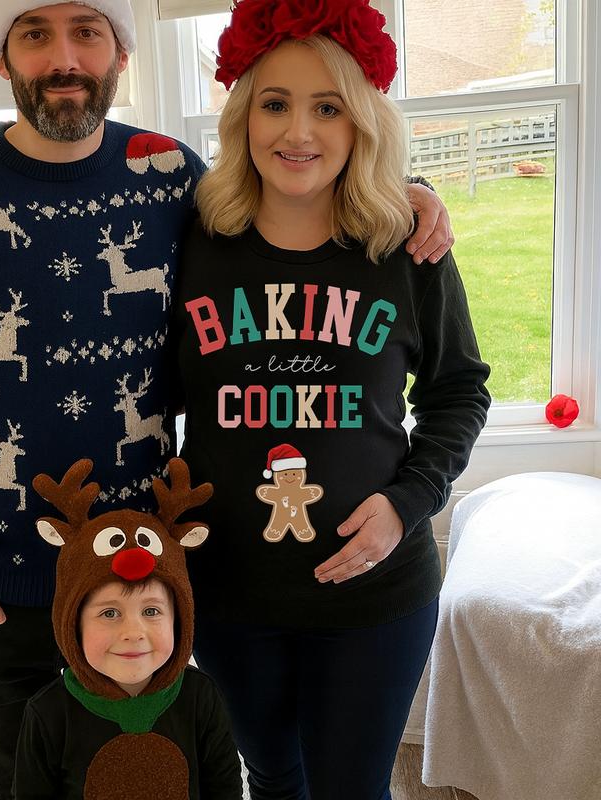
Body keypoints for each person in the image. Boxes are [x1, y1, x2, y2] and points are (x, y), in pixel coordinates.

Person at [0, 1, 454, 797]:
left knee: (162, 779)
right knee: (17, 784)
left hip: (152, 577)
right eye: (34, 34)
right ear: (2, 57)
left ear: (119, 54)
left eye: (88, 31)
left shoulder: (170, 179)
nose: (64, 57)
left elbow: (297, 185)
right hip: (2, 590)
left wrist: (410, 191)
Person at [170, 1, 492, 798]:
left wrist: (408, 501)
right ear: (245, 116)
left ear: (363, 124)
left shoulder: (404, 246)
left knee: (353, 786)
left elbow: (459, 390)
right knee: (273, 775)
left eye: (328, 107)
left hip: (375, 591)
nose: (298, 132)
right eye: (275, 104)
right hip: (230, 588)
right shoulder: (191, 242)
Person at [13, 457, 242, 799]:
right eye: (109, 613)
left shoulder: (201, 698)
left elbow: (224, 788)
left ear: (179, 619)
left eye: (151, 610)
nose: (133, 632)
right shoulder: (47, 716)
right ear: (72, 623)